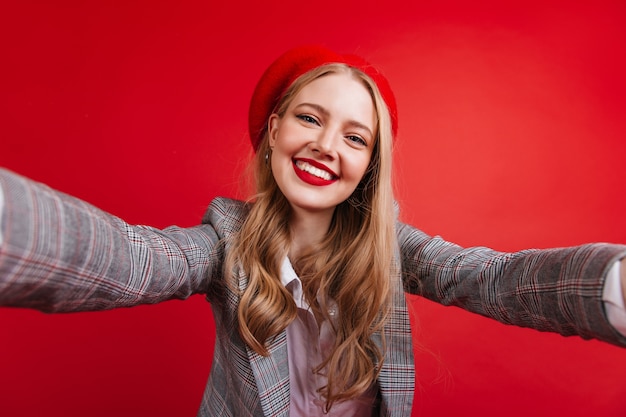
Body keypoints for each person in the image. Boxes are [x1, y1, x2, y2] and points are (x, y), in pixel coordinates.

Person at [0, 45, 625, 417]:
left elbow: (489, 278)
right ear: (274, 129)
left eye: (355, 137)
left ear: (369, 164)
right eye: (309, 118)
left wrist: (615, 285)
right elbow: (130, 260)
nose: (327, 146)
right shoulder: (225, 242)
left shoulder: (392, 250)